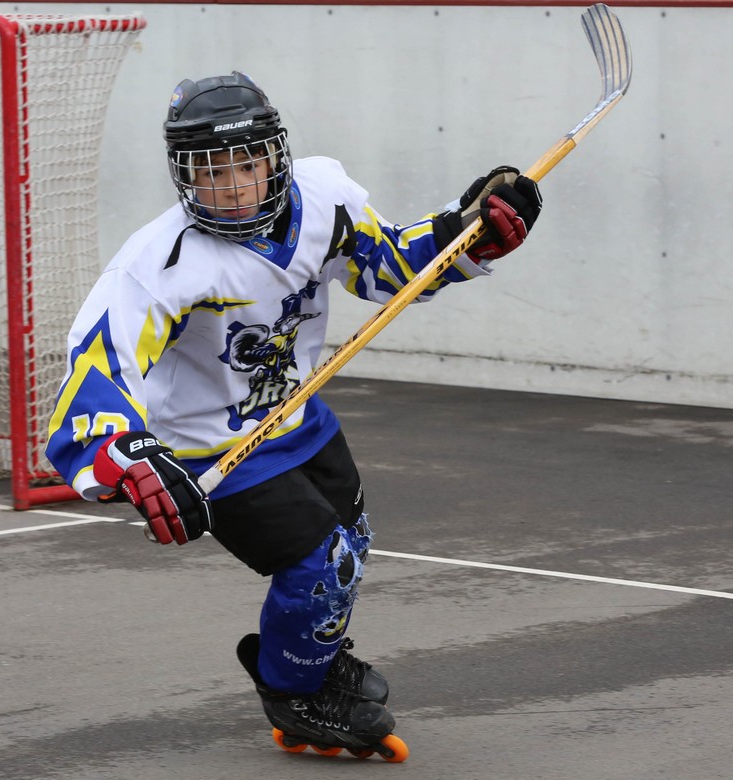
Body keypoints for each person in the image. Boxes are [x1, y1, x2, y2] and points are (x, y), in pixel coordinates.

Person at [46, 71, 542, 753]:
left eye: (246, 164)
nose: (233, 186)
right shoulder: (159, 265)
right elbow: (95, 371)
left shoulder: (324, 198)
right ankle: (296, 691)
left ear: (275, 156)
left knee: (352, 543)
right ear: (184, 177)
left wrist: (468, 231)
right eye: (211, 171)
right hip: (213, 452)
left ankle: (312, 656)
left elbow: (388, 265)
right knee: (320, 562)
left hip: (298, 418)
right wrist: (131, 457)